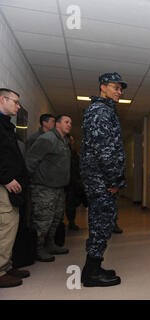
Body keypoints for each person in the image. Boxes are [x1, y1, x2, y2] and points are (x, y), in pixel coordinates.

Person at [80, 72, 126, 287]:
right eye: (115, 87)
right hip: (102, 181)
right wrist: (113, 181)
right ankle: (90, 274)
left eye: (120, 88)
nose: (119, 92)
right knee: (101, 225)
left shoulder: (105, 110)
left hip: (99, 179)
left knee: (102, 224)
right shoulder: (100, 111)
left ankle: (94, 268)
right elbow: (103, 150)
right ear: (103, 87)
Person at [26, 115, 72, 262]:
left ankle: (50, 244)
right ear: (57, 124)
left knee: (56, 219)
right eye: (66, 122)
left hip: (58, 188)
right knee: (42, 220)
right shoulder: (47, 139)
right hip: (44, 188)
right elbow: (31, 160)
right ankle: (37, 249)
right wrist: (29, 182)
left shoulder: (64, 141)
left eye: (70, 122)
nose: (69, 125)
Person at [0, 88, 30, 288]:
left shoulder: (6, 126)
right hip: (4, 184)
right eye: (15, 102)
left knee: (11, 226)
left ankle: (7, 266)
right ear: (3, 99)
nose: (18, 107)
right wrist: (6, 178)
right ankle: (1, 271)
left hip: (11, 185)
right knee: (6, 226)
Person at [65, 135, 87, 231]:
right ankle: (71, 222)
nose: (72, 142)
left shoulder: (73, 152)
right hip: (67, 183)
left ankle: (71, 222)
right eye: (71, 140)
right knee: (69, 204)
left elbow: (78, 168)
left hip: (75, 182)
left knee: (72, 204)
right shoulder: (64, 151)